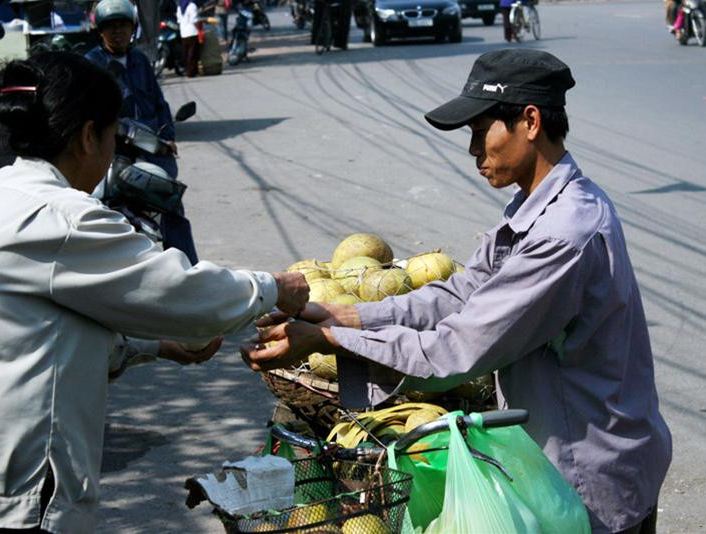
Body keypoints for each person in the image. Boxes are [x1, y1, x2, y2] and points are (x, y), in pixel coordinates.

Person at [242, 49, 673, 534]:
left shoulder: (562, 234)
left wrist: (327, 341)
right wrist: (347, 318)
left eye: (480, 131)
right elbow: (463, 292)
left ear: (530, 122)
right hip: (573, 462)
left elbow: (457, 350)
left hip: (589, 477)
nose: (472, 150)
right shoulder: (537, 209)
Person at [0, 51, 309, 533]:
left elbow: (37, 338)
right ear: (88, 136)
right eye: (113, 136)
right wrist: (274, 287)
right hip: (22, 494)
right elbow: (179, 294)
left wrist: (154, 348)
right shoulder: (64, 219)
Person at [86, 0, 200, 264]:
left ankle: (190, 269)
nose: (118, 32)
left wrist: (168, 136)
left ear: (132, 28)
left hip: (148, 147)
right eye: (111, 26)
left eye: (123, 26)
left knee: (172, 207)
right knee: (94, 206)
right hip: (112, 149)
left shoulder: (140, 60)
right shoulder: (92, 64)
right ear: (100, 31)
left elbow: (159, 103)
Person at [177, 0, 200, 77]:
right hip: (192, 32)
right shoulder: (192, 6)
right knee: (193, 53)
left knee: (185, 53)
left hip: (183, 33)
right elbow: (194, 20)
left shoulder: (179, 7)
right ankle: (191, 72)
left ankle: (187, 70)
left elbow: (179, 20)